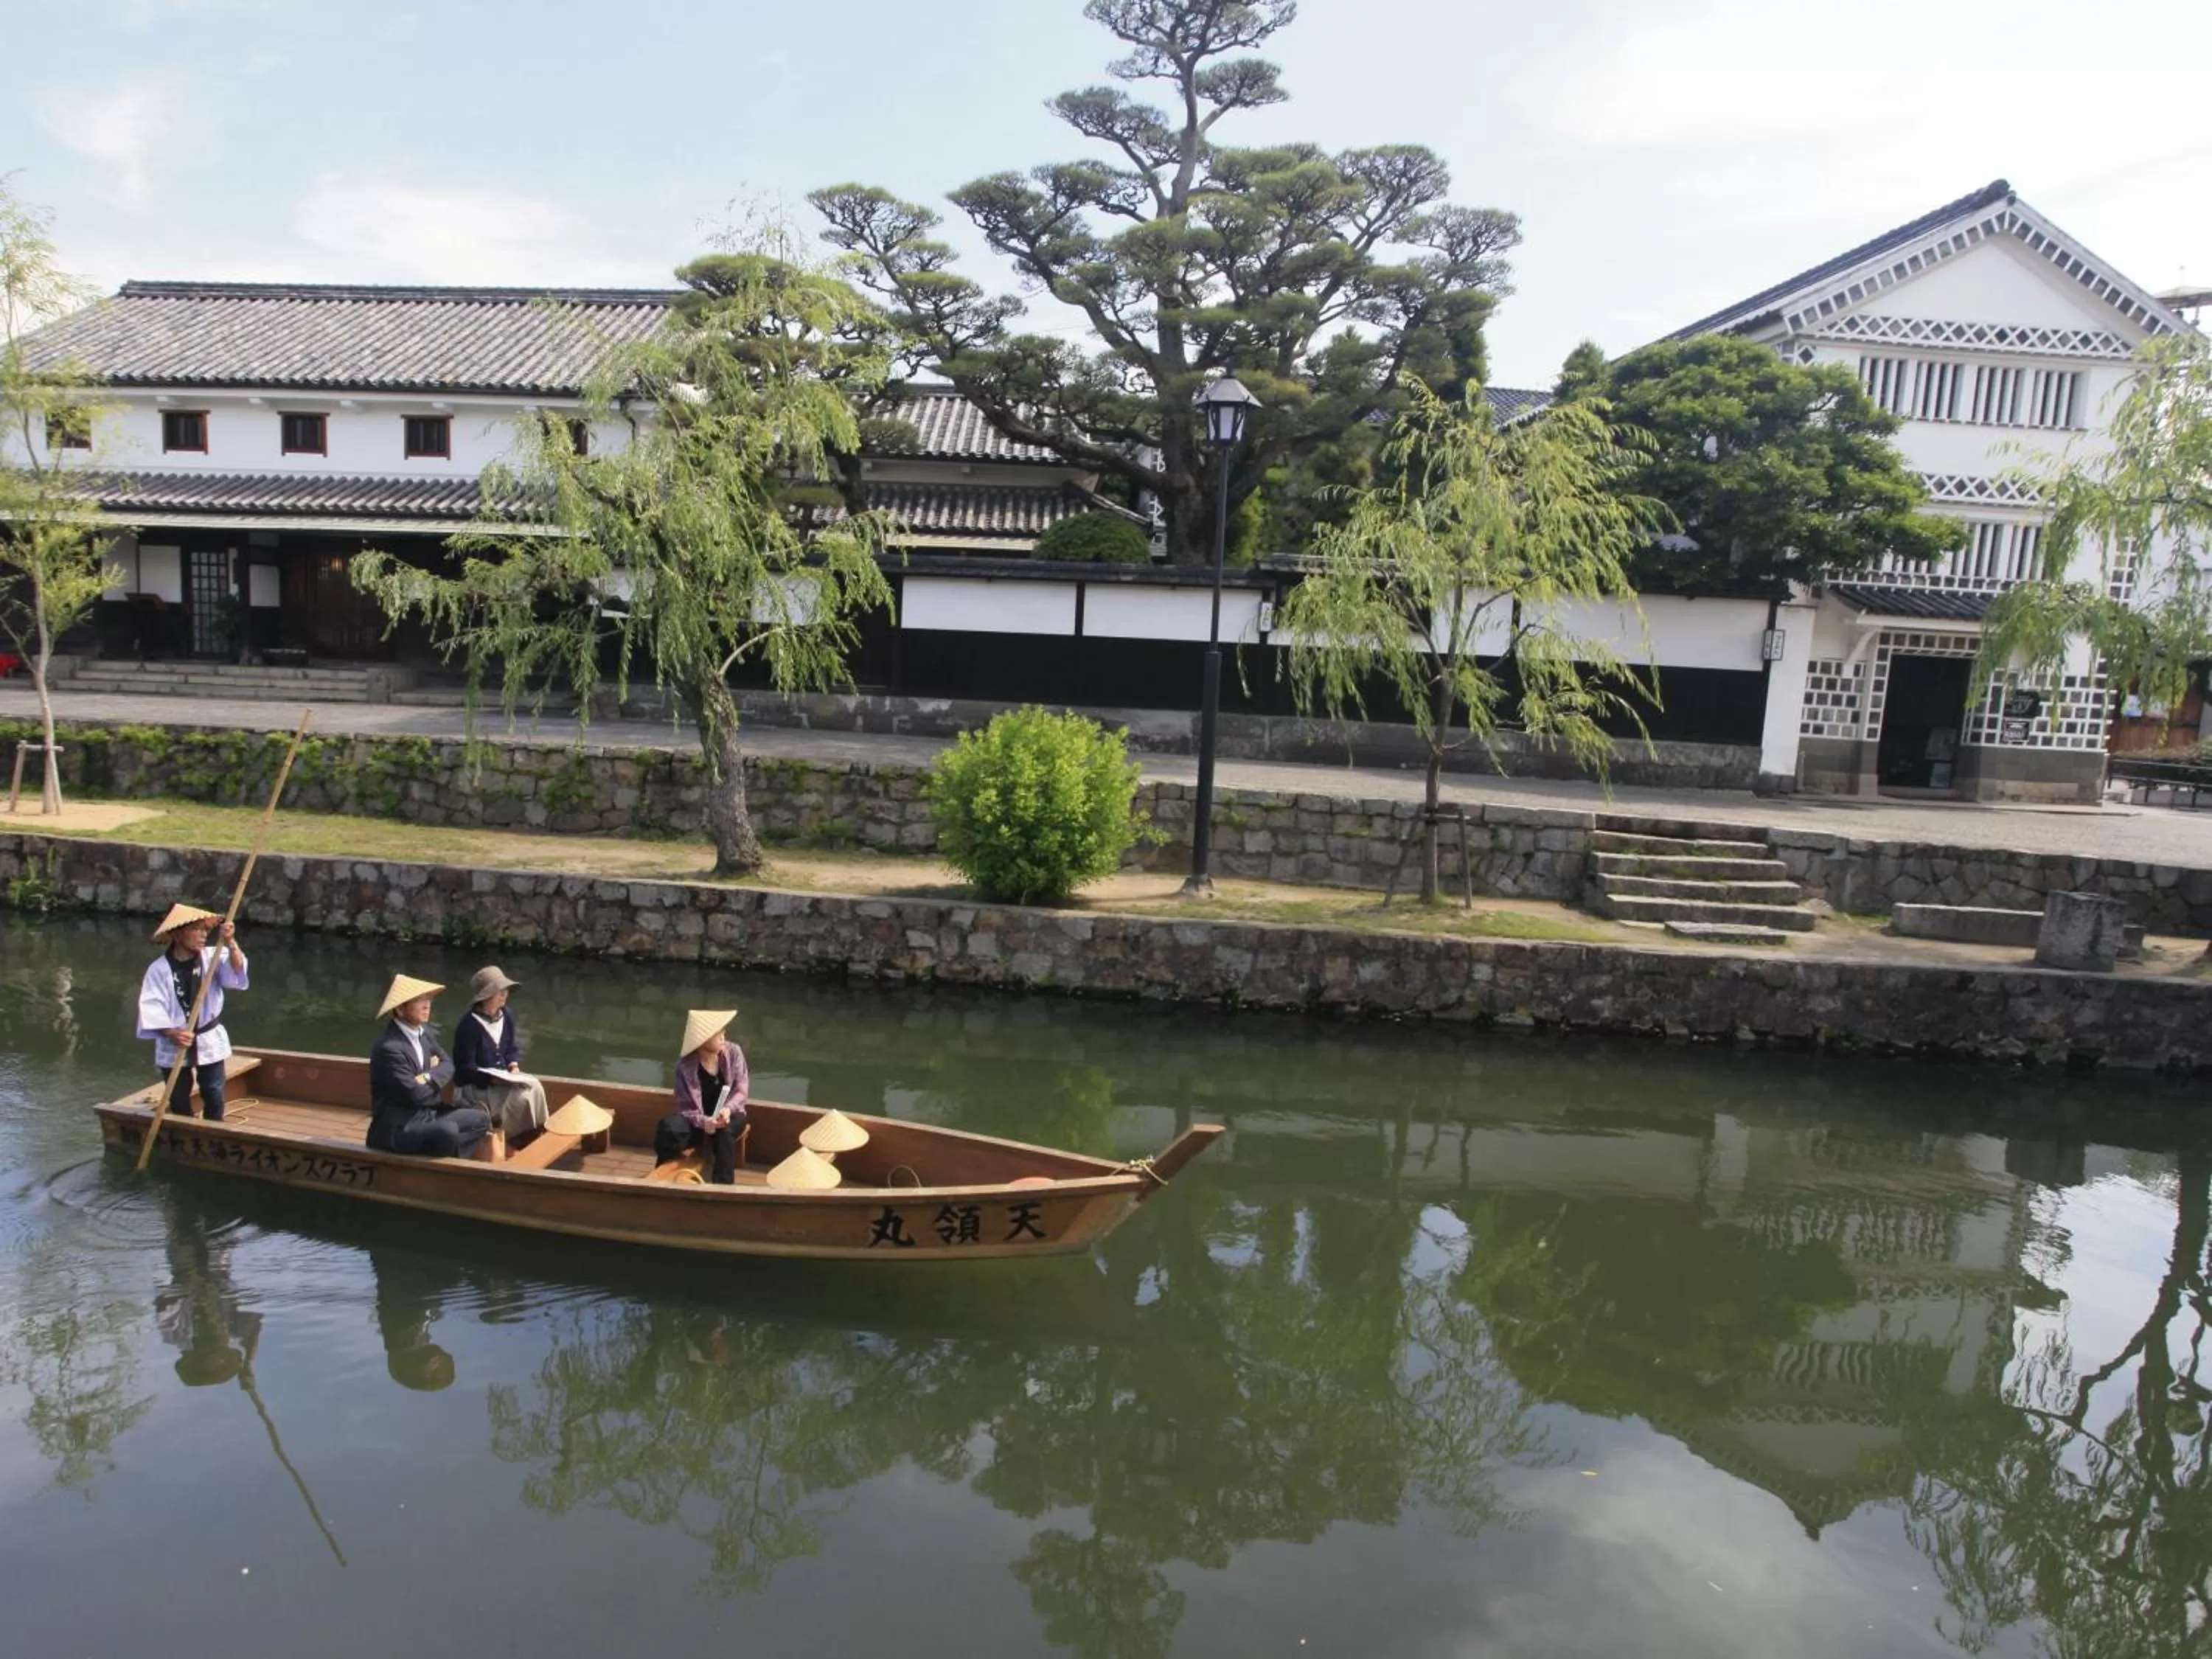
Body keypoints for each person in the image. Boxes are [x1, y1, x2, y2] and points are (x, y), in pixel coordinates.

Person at [136, 902, 250, 1123]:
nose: (203, 935)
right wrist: (172, 1032)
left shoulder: (213, 956)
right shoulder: (159, 969)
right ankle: (185, 1131)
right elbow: (152, 1006)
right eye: (196, 929)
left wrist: (231, 942)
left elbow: (236, 972)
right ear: (178, 935)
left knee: (214, 1092)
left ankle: (215, 1130)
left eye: (205, 929)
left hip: (208, 1036)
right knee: (178, 1098)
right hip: (176, 1041)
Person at [366, 974, 490, 1159]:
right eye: (419, 1001)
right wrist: (434, 1078)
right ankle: (444, 1160)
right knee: (447, 1132)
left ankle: (449, 1157)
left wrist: (428, 1077)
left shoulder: (425, 1034)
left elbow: (448, 1064)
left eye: (428, 999)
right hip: (399, 1126)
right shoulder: (389, 1047)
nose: (427, 1005)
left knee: (480, 1119)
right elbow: (414, 1094)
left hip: (428, 1114)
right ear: (400, 1009)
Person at [450, 965, 549, 1143]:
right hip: (475, 1087)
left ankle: (537, 1132)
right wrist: (493, 1079)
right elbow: (465, 1070)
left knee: (536, 1087)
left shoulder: (507, 1015)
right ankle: (512, 1139)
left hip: (503, 1077)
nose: (504, 995)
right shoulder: (468, 1026)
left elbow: (511, 1048)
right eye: (499, 991)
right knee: (521, 1099)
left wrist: (514, 1066)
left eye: (505, 991)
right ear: (486, 996)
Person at [656, 1008, 748, 1185]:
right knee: (669, 1127)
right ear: (703, 1040)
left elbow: (741, 1091)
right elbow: (686, 1108)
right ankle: (662, 1177)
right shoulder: (685, 1067)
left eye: (723, 1033)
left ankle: (723, 1187)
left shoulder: (734, 1052)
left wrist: (727, 1110)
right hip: (699, 1121)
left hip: (730, 1114)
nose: (723, 1037)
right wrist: (704, 1122)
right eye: (718, 1034)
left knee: (725, 1132)